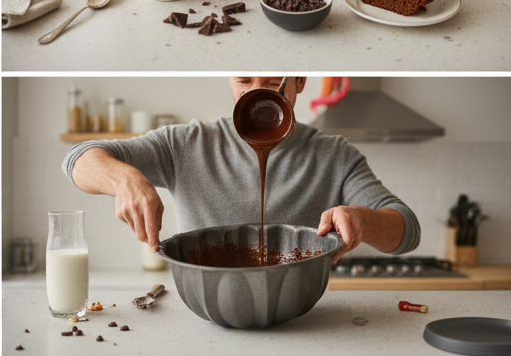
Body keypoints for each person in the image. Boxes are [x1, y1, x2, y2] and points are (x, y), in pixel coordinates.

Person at [63, 76, 420, 260]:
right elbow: (78, 159)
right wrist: (124, 176)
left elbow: (407, 232)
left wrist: (361, 218)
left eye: (270, 82)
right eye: (244, 81)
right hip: (205, 310)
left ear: (299, 83)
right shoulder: (185, 143)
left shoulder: (334, 156)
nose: (256, 92)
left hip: (301, 317)